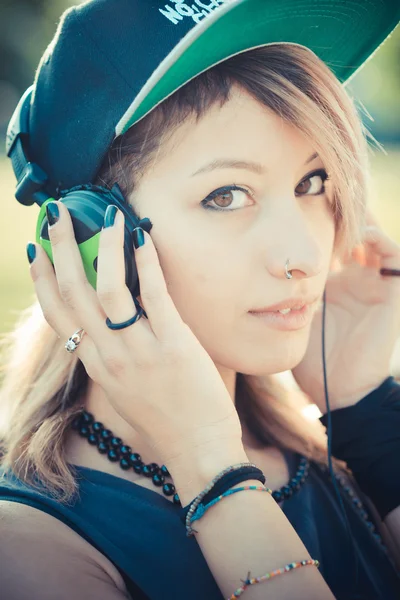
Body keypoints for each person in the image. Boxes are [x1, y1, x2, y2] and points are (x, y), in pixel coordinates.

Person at [1, 1, 400, 598]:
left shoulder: (341, 456)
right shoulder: (33, 550)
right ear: (89, 239)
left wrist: (366, 412)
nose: (303, 254)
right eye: (226, 195)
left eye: (311, 183)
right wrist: (206, 464)